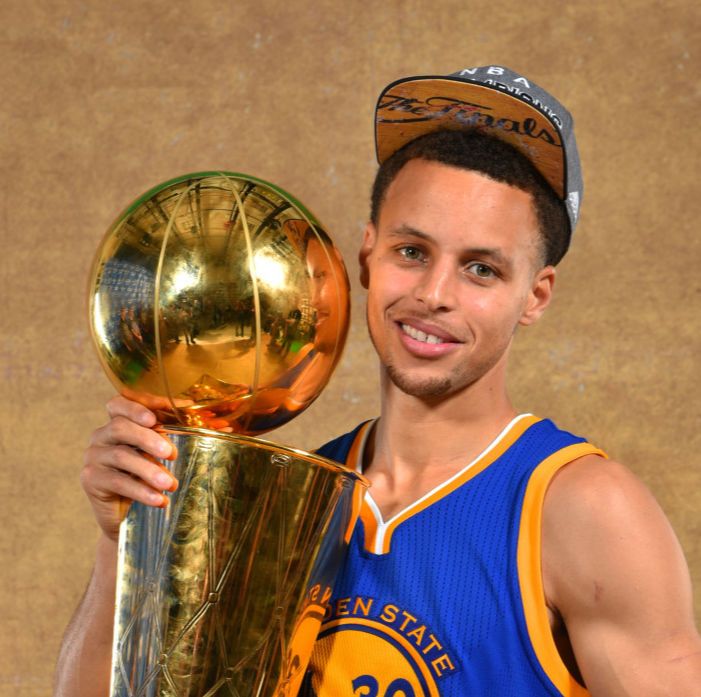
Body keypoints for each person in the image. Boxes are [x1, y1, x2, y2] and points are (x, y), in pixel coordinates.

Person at [55, 66, 701, 696]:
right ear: (367, 255)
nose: (434, 294)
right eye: (411, 252)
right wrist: (123, 541)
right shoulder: (281, 510)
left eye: (480, 269)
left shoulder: (583, 510)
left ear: (535, 296)